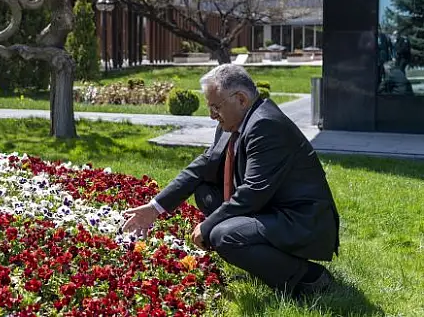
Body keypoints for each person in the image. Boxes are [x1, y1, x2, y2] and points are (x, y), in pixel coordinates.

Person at [122, 64, 340, 298]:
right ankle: (265, 265)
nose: (211, 115)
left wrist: (206, 227)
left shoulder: (266, 125)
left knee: (224, 235)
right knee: (205, 192)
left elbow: (252, 192)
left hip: (301, 220)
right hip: (271, 208)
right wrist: (154, 208)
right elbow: (201, 167)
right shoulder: (232, 123)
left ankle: (310, 278)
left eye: (216, 107)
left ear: (241, 99)